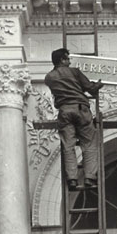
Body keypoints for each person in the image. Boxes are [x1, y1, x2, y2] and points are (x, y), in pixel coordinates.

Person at [44, 48, 103, 191]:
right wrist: (99, 84)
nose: (70, 61)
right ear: (62, 60)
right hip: (80, 109)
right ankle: (89, 177)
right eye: (67, 59)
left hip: (64, 111)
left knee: (68, 146)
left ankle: (72, 179)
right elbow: (91, 89)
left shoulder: (49, 77)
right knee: (89, 143)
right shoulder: (74, 72)